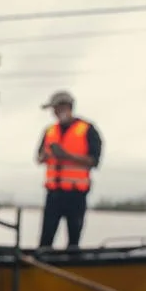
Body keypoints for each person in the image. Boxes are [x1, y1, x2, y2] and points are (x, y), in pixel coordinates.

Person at [35, 90, 103, 249]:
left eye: (57, 109)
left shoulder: (87, 130)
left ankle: (72, 265)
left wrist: (67, 156)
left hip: (76, 195)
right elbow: (38, 158)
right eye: (53, 110)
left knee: (73, 243)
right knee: (45, 241)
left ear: (67, 107)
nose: (54, 113)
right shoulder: (49, 131)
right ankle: (41, 267)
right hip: (53, 194)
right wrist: (44, 156)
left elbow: (94, 161)